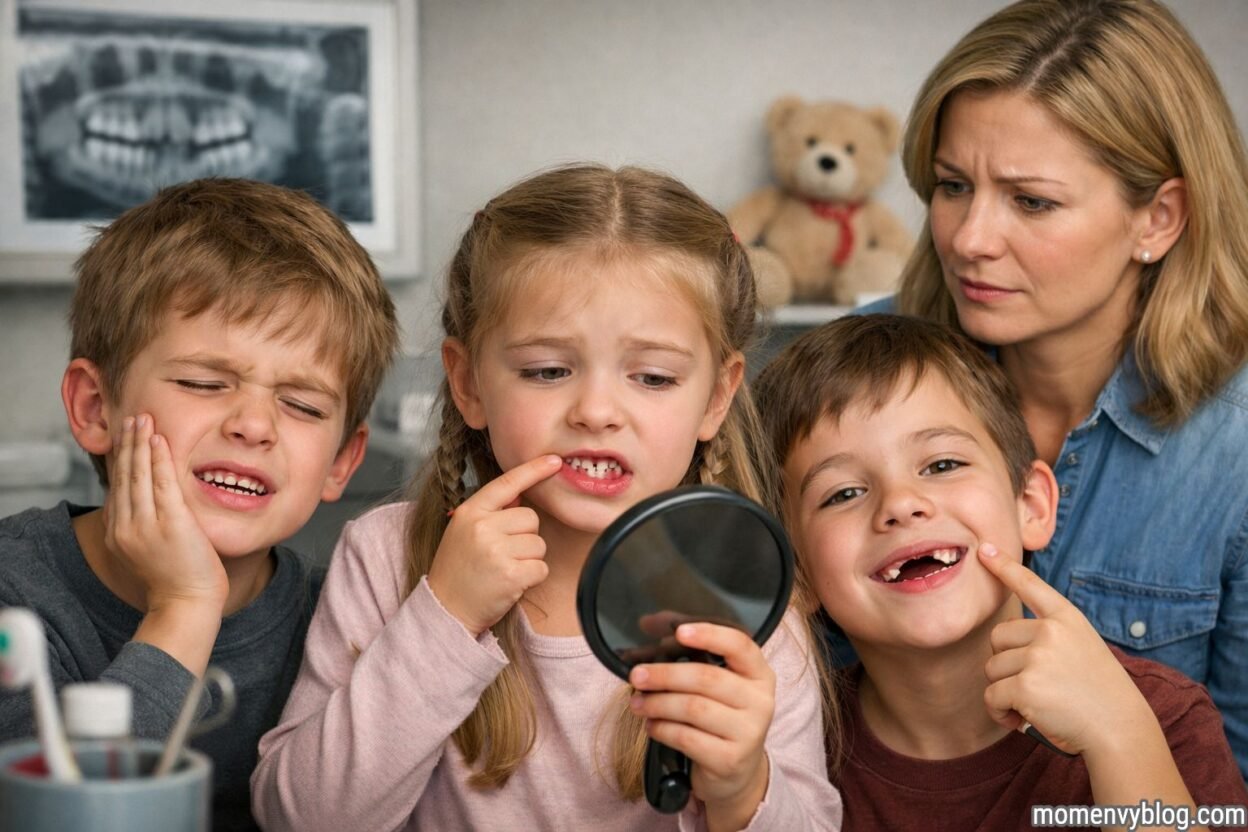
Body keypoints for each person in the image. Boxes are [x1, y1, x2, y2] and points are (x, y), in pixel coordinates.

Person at [250, 164, 842, 831]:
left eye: (652, 376)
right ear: (469, 383)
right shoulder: (387, 559)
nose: (596, 411)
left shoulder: (747, 608)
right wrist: (443, 617)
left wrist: (742, 789)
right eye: (547, 370)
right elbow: (299, 818)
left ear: (716, 396)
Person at [870, 0, 1248, 778]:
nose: (969, 239)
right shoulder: (852, 371)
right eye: (951, 186)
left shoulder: (1235, 455)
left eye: (1031, 201)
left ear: (1160, 218)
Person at [0, 178, 400, 830]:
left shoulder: (345, 621)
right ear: (95, 408)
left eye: (301, 405)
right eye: (205, 383)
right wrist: (184, 609)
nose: (255, 424)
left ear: (341, 462)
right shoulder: (14, 597)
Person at [755, 314, 1248, 831]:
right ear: (798, 574)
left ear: (1031, 505)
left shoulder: (1160, 718)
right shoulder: (787, 764)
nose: (901, 504)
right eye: (844, 493)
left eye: (942, 465)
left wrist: (1119, 738)